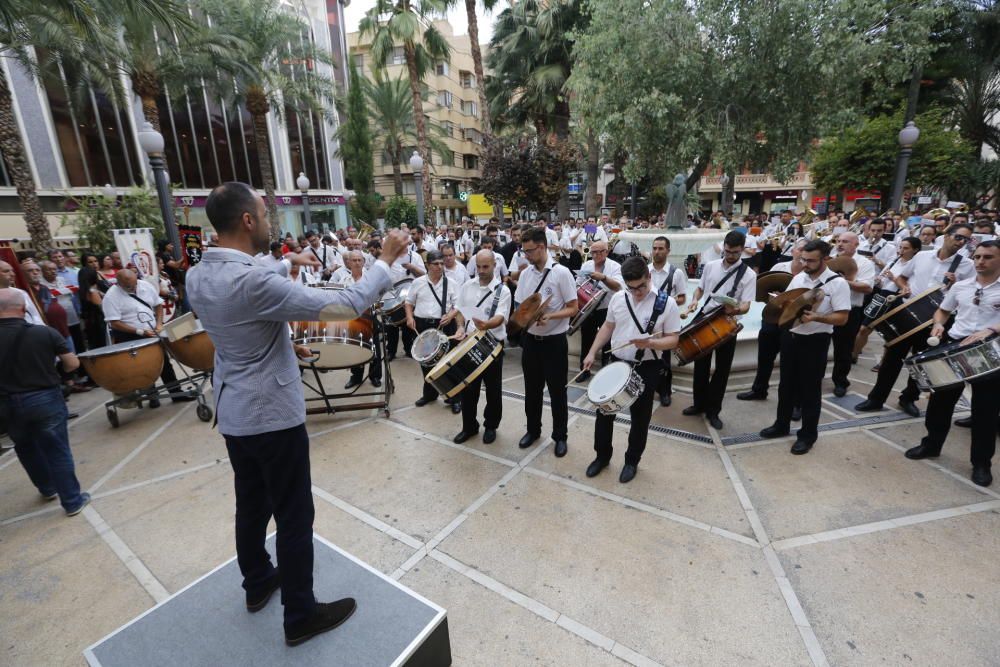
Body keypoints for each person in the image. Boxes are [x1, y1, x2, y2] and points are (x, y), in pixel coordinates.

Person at [186, 182, 409, 647]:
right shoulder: (254, 282)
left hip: (234, 412)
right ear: (247, 220)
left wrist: (285, 337)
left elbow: (241, 332)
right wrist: (385, 259)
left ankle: (257, 583)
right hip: (271, 417)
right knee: (293, 514)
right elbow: (345, 305)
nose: (270, 221)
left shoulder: (198, 273)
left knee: (250, 505)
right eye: (265, 214)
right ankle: (301, 615)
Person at [903, 240, 1000, 486]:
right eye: (977, 257)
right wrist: (938, 324)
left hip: (988, 351)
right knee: (940, 403)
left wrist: (991, 329)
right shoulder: (962, 286)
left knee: (985, 412)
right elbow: (944, 311)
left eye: (987, 257)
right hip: (955, 345)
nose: (980, 261)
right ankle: (931, 445)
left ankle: (981, 463)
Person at [581, 258, 680, 483]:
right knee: (604, 412)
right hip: (617, 362)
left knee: (640, 417)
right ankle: (602, 456)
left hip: (647, 366)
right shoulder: (618, 298)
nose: (637, 292)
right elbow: (608, 327)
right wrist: (592, 351)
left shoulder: (667, 304)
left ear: (649, 277)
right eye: (631, 288)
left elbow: (674, 339)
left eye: (641, 287)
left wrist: (652, 344)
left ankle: (631, 461)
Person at [0, 289, 90, 515]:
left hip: (6, 404)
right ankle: (71, 501)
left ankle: (47, 488)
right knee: (56, 449)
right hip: (44, 398)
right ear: (23, 309)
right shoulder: (44, 333)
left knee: (25, 447)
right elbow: (72, 364)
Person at [759, 240, 851, 454]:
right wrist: (779, 303)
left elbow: (843, 318)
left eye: (811, 260)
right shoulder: (799, 277)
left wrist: (817, 316)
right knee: (786, 385)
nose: (805, 264)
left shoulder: (837, 284)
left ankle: (807, 436)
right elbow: (790, 303)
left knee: (810, 390)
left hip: (815, 341)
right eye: (803, 259)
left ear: (825, 259)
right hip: (791, 336)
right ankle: (781, 424)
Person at [514, 226, 578, 457]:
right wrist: (527, 318)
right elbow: (521, 307)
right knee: (532, 390)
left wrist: (550, 315)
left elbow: (573, 307)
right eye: (524, 252)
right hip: (531, 341)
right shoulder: (525, 274)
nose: (527, 256)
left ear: (542, 247)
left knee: (557, 392)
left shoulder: (561, 273)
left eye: (529, 251)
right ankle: (533, 430)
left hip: (554, 342)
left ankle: (560, 436)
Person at [682, 231, 756, 429]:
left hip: (727, 323)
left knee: (722, 370)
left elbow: (747, 305)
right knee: (700, 366)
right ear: (723, 246)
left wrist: (737, 309)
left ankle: (714, 411)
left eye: (735, 252)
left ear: (742, 250)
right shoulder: (711, 266)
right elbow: (700, 288)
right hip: (705, 319)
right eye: (728, 251)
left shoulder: (749, 275)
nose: (730, 255)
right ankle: (699, 404)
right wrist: (695, 300)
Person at [102, 269, 191, 407]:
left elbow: (158, 304)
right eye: (129, 286)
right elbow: (114, 322)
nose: (134, 288)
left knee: (164, 362)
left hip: (153, 329)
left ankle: (176, 392)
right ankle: (151, 395)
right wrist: (139, 331)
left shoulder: (145, 285)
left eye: (134, 283)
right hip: (130, 334)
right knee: (144, 366)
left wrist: (159, 324)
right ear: (118, 283)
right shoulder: (111, 297)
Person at [449, 250, 511, 444]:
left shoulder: (503, 290)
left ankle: (491, 426)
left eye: (486, 266)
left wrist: (487, 325)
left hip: (492, 344)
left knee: (493, 389)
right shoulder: (467, 286)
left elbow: (501, 317)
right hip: (468, 343)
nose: (482, 271)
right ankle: (469, 427)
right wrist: (460, 327)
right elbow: (459, 310)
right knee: (468, 389)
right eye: (479, 266)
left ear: (495, 266)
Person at [738, 238, 807, 403]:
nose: (802, 253)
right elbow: (763, 292)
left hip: (794, 324)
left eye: (806, 250)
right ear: (793, 251)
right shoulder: (779, 267)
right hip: (772, 319)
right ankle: (759, 389)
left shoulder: (808, 276)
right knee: (764, 357)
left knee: (793, 363)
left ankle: (796, 401)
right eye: (800, 249)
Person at [405, 250, 460, 412]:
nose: (439, 267)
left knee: (447, 364)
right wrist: (409, 318)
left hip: (444, 325)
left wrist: (450, 316)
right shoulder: (418, 282)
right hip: (423, 325)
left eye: (442, 264)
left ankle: (454, 398)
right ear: (427, 265)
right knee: (426, 363)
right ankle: (429, 394)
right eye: (436, 264)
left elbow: (457, 306)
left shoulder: (451, 284)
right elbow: (408, 302)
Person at [829, 232, 875, 396]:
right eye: (839, 241)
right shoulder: (829, 259)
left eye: (846, 241)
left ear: (856, 244)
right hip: (826, 309)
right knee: (818, 346)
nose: (840, 244)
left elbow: (868, 287)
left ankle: (840, 382)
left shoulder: (864, 263)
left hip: (849, 310)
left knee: (844, 349)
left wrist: (841, 281)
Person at [647, 236, 686, 406]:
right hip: (647, 320)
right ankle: (649, 387)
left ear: (668, 251)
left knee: (665, 359)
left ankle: (665, 391)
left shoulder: (676, 273)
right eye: (654, 248)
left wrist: (667, 301)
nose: (657, 252)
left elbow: (683, 298)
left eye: (661, 248)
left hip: (666, 321)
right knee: (647, 356)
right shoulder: (645, 270)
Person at [576, 241, 622, 381]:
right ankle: (584, 370)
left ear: (606, 252)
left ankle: (605, 371)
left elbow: (618, 286)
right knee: (586, 339)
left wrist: (603, 278)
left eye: (598, 252)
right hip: (589, 308)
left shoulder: (615, 266)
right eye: (593, 252)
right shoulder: (587, 265)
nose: (595, 255)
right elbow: (578, 283)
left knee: (608, 342)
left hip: (607, 308)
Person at [338, 251, 382, 389]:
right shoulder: (344, 281)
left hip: (369, 317)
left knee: (374, 349)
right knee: (355, 349)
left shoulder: (372, 279)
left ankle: (375, 376)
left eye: (359, 260)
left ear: (363, 262)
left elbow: (379, 297)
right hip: (352, 320)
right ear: (349, 263)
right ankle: (356, 377)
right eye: (354, 260)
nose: (357, 263)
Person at [384, 236, 426, 360]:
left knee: (409, 325)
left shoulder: (415, 256)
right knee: (391, 326)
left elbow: (424, 275)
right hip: (391, 295)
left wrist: (412, 267)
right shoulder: (388, 258)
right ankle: (391, 351)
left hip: (411, 294)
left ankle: (409, 349)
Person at [76, 254, 110, 350]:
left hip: (95, 322)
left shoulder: (90, 289)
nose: (94, 264)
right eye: (90, 262)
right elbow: (101, 307)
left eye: (95, 261)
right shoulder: (92, 291)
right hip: (99, 322)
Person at [0, 259, 43, 324]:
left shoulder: (21, 293)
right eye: (6, 271)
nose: (12, 274)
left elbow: (35, 316)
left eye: (12, 271)